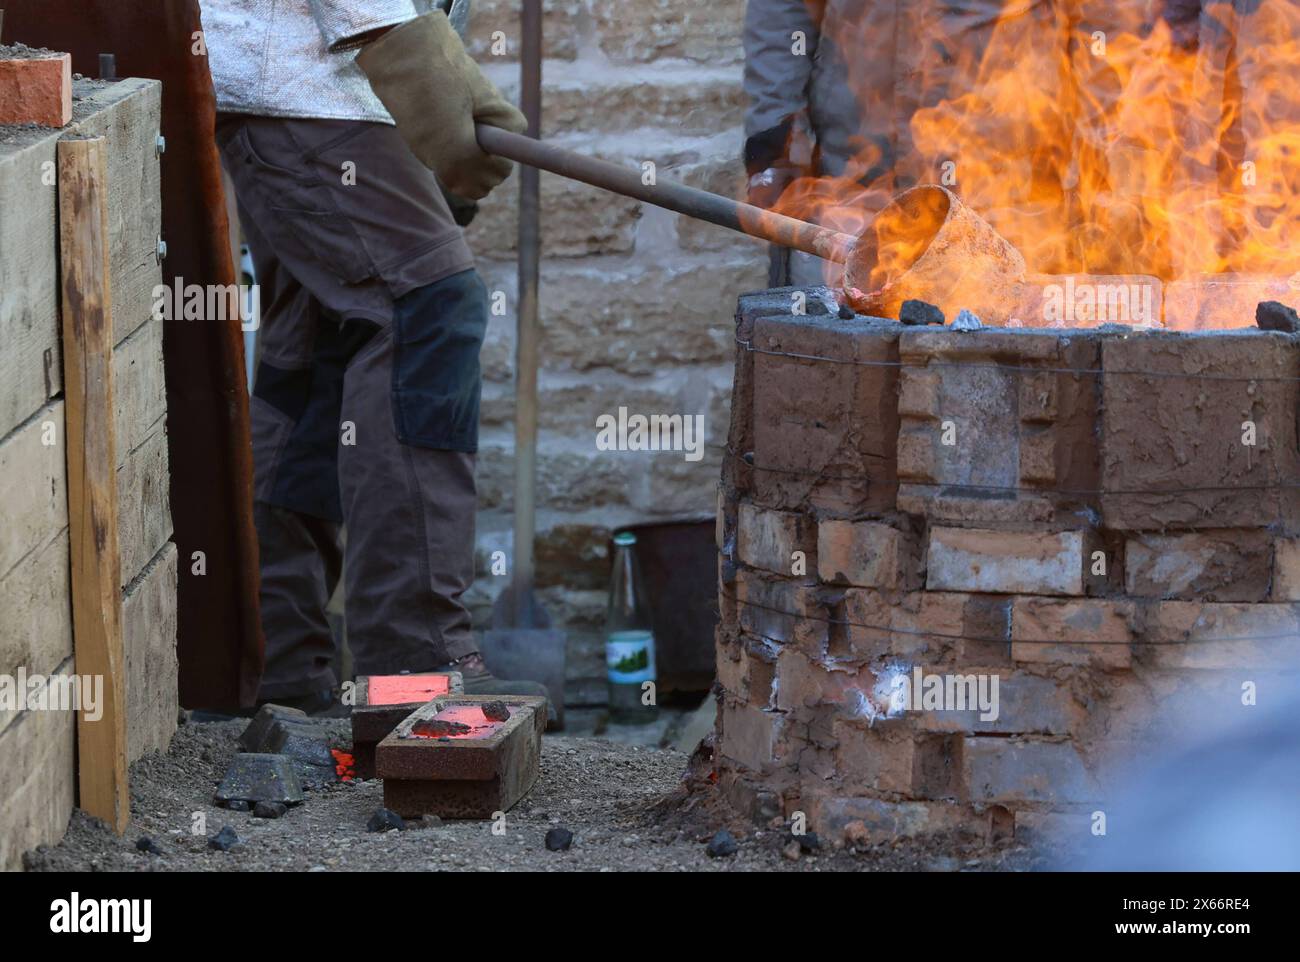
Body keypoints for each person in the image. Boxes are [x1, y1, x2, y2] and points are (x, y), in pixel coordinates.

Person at [201, 0, 548, 712]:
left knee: (321, 348)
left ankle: (280, 668)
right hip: (300, 89)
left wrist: (432, 82)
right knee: (428, 310)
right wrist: (418, 65)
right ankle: (413, 666)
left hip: (308, 92)